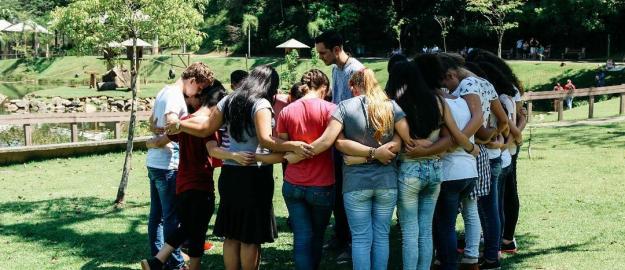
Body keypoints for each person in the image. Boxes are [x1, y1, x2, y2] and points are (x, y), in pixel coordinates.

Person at [168, 65, 314, 270]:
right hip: (254, 177)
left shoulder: (229, 99)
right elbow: (266, 140)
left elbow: (205, 129)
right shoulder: (261, 103)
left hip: (230, 175)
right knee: (250, 236)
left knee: (232, 232)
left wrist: (180, 125)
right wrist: (292, 145)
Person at [387, 60, 475, 270]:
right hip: (435, 170)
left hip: (409, 170)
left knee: (410, 232)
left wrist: (418, 148)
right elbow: (448, 138)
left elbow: (394, 142)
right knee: (425, 230)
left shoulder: (395, 104)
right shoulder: (437, 101)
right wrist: (429, 146)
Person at [141, 79, 224, 270]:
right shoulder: (208, 126)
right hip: (201, 184)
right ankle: (166, 263)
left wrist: (149, 142)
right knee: (197, 229)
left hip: (182, 183)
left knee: (187, 226)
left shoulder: (185, 121)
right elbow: (213, 153)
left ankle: (158, 261)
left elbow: (166, 136)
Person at [275, 69, 337, 270]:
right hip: (322, 183)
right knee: (317, 235)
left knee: (301, 236)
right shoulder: (331, 109)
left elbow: (282, 146)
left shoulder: (287, 111)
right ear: (324, 88)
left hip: (292, 182)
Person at [314, 29, 364, 264]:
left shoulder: (356, 70)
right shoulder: (335, 70)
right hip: (337, 139)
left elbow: (357, 106)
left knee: (350, 195)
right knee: (338, 193)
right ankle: (340, 235)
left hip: (352, 142)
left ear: (336, 50)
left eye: (323, 53)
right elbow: (335, 103)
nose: (320, 58)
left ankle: (352, 243)